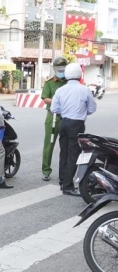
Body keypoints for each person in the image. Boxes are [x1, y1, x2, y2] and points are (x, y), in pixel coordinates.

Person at [50, 62, 96, 196]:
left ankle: (63, 182)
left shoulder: (60, 90)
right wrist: (81, 112)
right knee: (73, 154)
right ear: (79, 75)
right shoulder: (84, 90)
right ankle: (68, 186)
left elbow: (54, 109)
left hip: (63, 122)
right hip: (77, 124)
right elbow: (92, 109)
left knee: (63, 152)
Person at [41, 56, 68, 183]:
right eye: (59, 68)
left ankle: (64, 173)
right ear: (54, 69)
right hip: (53, 116)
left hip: (67, 116)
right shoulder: (49, 82)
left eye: (63, 68)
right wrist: (58, 102)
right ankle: (46, 171)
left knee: (66, 145)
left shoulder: (70, 81)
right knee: (49, 145)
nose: (61, 70)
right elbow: (45, 98)